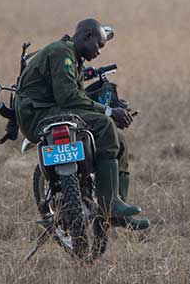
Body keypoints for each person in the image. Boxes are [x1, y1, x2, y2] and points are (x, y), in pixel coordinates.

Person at [15, 18, 150, 230]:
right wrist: (108, 111)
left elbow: (73, 96)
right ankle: (109, 205)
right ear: (87, 36)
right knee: (105, 124)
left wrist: (113, 110)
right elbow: (68, 98)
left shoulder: (73, 57)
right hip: (40, 116)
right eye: (99, 45)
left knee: (119, 141)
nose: (99, 52)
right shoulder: (62, 53)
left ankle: (118, 209)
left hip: (50, 111)